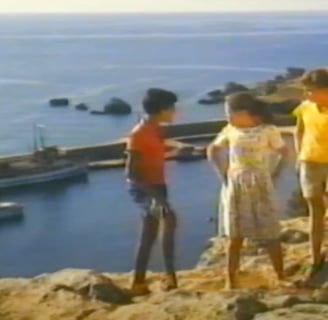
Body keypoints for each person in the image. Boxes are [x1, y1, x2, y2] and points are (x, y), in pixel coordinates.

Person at [207, 92, 288, 289]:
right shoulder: (229, 130)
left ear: (245, 113)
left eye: (230, 113)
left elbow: (283, 152)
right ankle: (231, 279)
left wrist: (275, 174)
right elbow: (212, 150)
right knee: (235, 235)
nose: (227, 117)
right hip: (236, 184)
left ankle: (280, 275)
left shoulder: (268, 130)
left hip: (260, 182)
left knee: (271, 232)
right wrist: (223, 175)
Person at [126, 88, 178, 295]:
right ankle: (168, 277)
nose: (175, 112)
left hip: (157, 184)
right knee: (167, 220)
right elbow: (132, 173)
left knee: (151, 232)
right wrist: (156, 198)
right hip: (144, 188)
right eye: (172, 108)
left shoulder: (156, 129)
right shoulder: (139, 133)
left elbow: (153, 153)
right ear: (162, 109)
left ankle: (140, 282)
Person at [293, 69, 328, 281]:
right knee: (315, 212)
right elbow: (298, 131)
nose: (307, 95)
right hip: (310, 163)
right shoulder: (305, 107)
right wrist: (299, 156)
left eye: (311, 91)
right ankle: (315, 258)